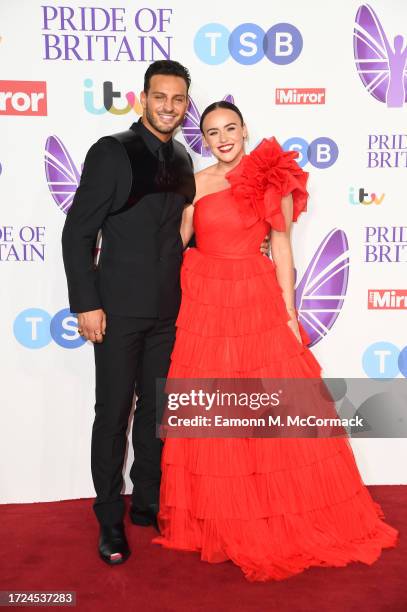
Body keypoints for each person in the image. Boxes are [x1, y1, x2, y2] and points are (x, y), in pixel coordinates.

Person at [153, 101, 398, 581]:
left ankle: (276, 512)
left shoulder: (271, 177)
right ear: (202, 138)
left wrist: (289, 314)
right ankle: (222, 515)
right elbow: (177, 240)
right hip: (205, 299)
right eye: (211, 131)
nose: (222, 138)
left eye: (230, 128)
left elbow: (282, 247)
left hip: (255, 294)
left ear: (244, 129)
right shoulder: (195, 182)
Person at [62, 62, 269, 566]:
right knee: (112, 412)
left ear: (185, 104)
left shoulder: (181, 157)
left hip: (172, 308)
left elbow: (184, 231)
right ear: (144, 99)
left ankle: (146, 502)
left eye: (178, 99)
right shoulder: (112, 151)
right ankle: (110, 515)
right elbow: (78, 232)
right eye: (161, 97)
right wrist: (86, 302)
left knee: (157, 411)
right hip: (114, 308)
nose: (169, 107)